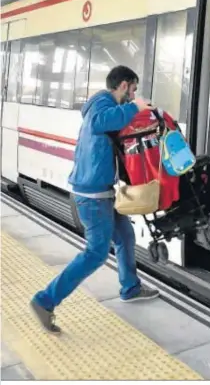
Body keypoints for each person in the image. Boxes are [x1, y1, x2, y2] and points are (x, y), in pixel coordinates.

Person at [30, 65, 159, 334]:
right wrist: (136, 106)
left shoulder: (102, 105)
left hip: (102, 191)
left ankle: (130, 287)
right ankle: (45, 300)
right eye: (133, 89)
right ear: (123, 85)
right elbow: (103, 123)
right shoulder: (101, 104)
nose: (134, 94)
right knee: (96, 253)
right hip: (92, 195)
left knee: (124, 236)